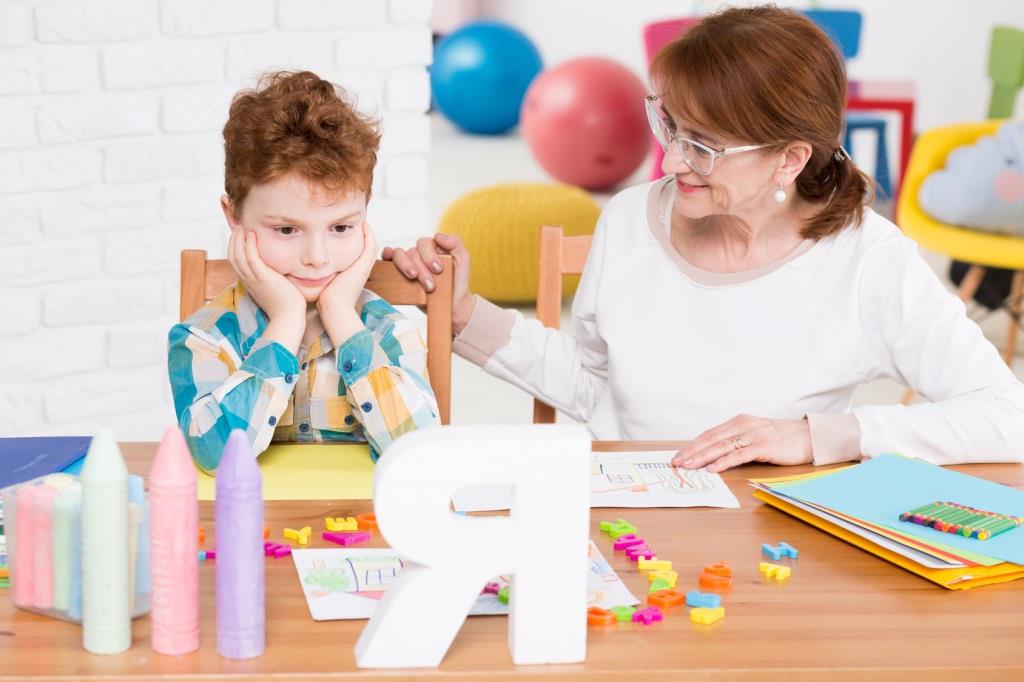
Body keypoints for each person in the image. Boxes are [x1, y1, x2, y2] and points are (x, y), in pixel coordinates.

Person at [384, 6, 1024, 472]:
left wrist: (817, 436)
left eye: (705, 146)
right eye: (670, 126)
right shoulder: (631, 218)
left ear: (789, 158)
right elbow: (596, 384)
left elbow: (1006, 416)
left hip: (773, 542)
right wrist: (461, 312)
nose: (671, 163)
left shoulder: (869, 260)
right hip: (630, 514)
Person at [168, 71, 439, 472]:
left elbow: (420, 452)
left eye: (341, 228)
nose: (317, 256)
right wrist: (286, 319)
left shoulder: (390, 333)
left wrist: (343, 317)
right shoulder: (204, 338)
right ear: (234, 217)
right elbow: (214, 456)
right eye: (286, 229)